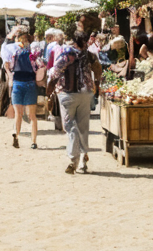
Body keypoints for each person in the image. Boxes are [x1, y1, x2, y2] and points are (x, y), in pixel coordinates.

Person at [50, 31, 96, 174]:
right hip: (86, 94)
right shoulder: (89, 54)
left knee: (70, 126)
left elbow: (54, 73)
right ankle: (83, 159)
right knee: (83, 126)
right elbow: (98, 68)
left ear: (73, 41)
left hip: (67, 94)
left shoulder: (67, 54)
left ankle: (73, 159)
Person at [10, 29, 39, 149]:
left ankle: (16, 136)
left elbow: (11, 66)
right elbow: (38, 67)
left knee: (18, 114)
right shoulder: (34, 52)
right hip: (30, 83)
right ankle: (33, 142)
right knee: (32, 115)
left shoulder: (14, 52)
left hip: (17, 82)